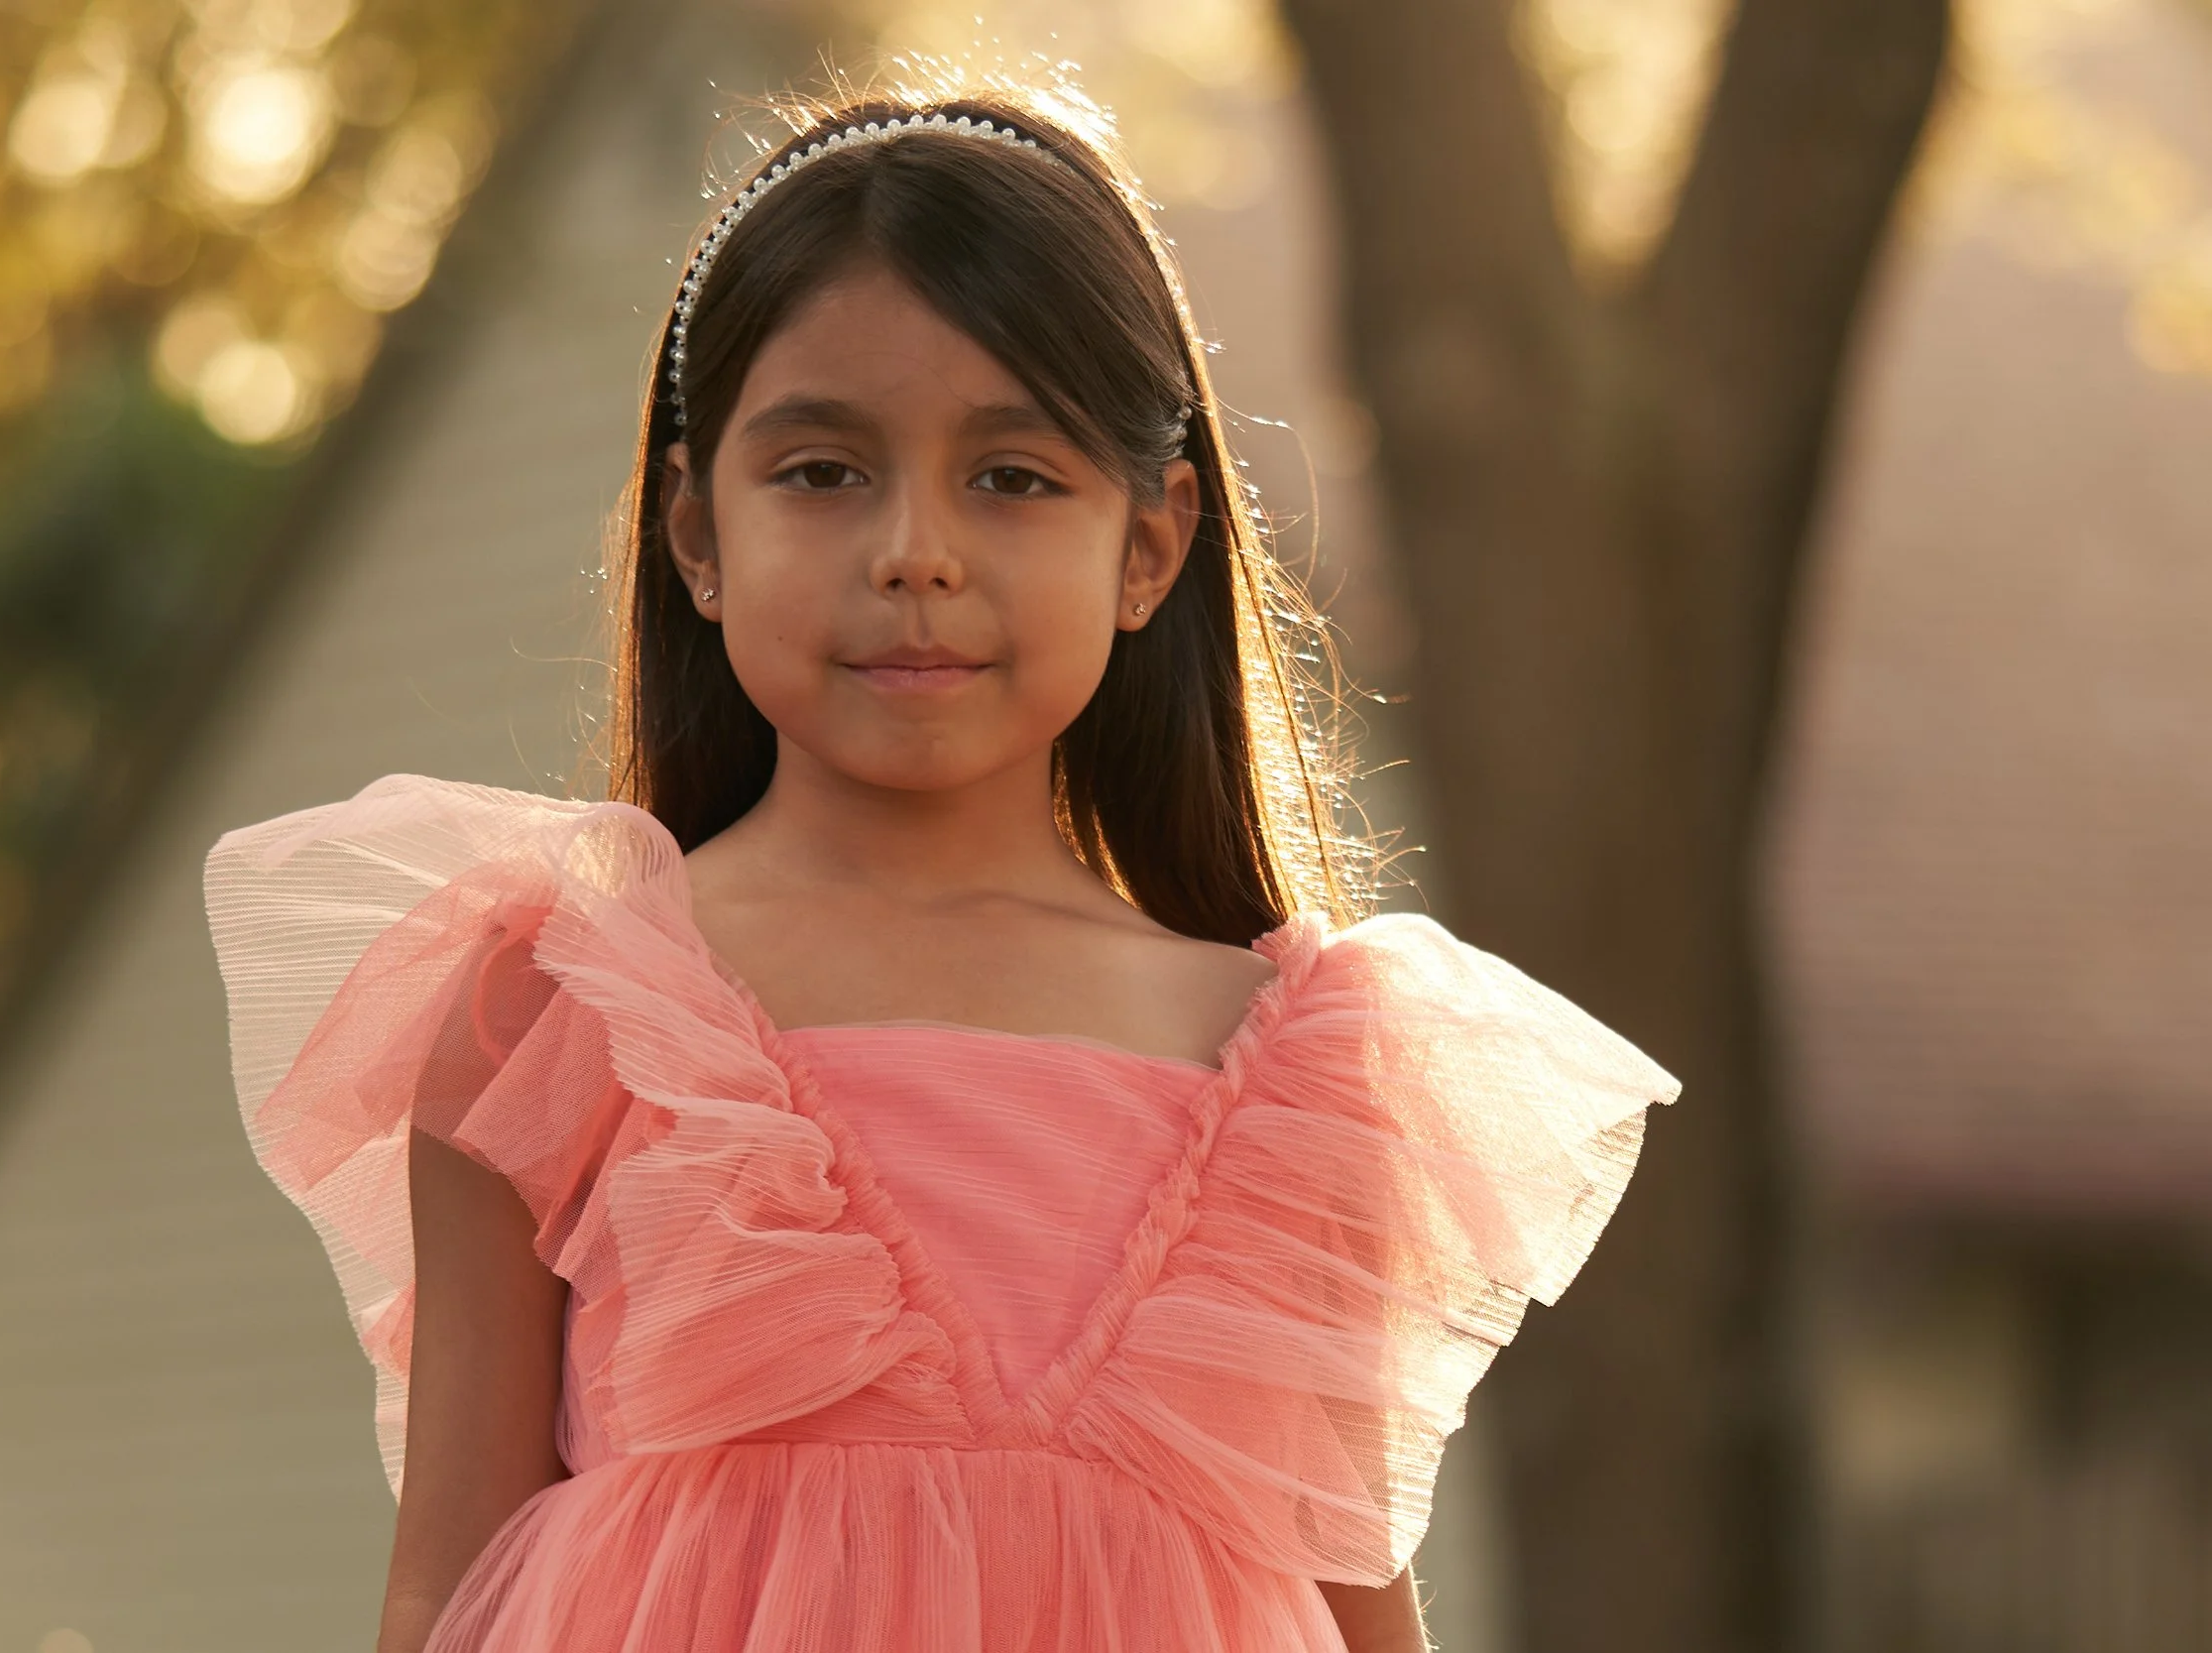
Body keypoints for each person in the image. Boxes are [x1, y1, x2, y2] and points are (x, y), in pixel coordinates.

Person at [205, 84, 1679, 1653]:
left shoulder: (1301, 1086)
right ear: (696, 532)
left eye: (1012, 475)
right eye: (825, 472)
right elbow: (447, 1583)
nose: (917, 549)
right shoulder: (560, 1013)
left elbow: (1354, 1604)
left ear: (1150, 545)